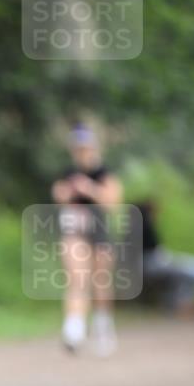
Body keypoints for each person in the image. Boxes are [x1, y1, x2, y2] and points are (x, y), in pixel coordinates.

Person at [50, 124, 123, 356]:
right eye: (78, 148)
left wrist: (90, 189)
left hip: (100, 232)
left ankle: (102, 326)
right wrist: (68, 191)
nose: (82, 152)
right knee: (77, 278)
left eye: (85, 148)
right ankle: (74, 327)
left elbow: (113, 203)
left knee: (101, 282)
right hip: (75, 231)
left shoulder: (105, 174)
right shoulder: (66, 175)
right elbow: (58, 196)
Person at [136, 200, 194, 314]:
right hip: (151, 265)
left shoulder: (135, 229)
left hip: (149, 265)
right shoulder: (145, 228)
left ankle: (182, 304)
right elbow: (156, 254)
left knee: (184, 273)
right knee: (190, 270)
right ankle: (182, 305)